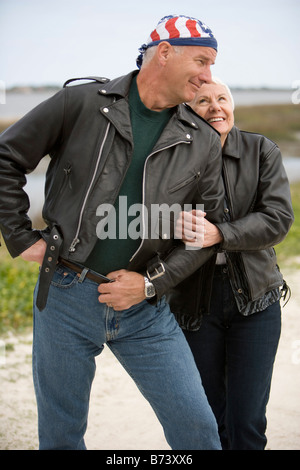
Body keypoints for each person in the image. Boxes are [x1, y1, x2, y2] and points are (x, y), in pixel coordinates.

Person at [0, 15, 225, 450]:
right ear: (164, 52)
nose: (208, 76)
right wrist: (20, 236)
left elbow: (202, 232)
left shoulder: (200, 139)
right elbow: (6, 158)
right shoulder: (82, 102)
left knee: (197, 428)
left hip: (146, 306)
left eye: (212, 65)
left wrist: (150, 284)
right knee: (61, 435)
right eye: (201, 60)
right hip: (65, 293)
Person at [168, 78, 294, 450]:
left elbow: (277, 219)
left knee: (247, 421)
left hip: (256, 300)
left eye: (222, 98)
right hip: (195, 303)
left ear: (233, 106)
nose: (215, 107)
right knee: (208, 417)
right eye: (203, 101)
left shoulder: (261, 150)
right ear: (187, 111)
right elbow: (154, 221)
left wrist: (219, 233)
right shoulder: (172, 157)